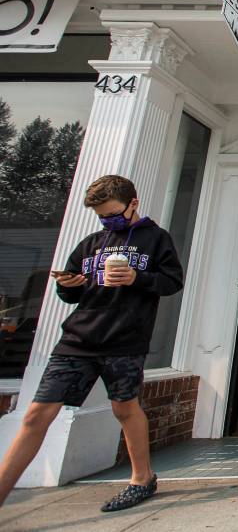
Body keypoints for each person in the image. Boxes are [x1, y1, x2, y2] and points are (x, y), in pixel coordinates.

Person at [0, 175, 183, 512]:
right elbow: (72, 292)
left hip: (126, 338)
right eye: (102, 216)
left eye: (113, 214)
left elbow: (172, 281)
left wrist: (136, 278)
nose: (108, 221)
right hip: (77, 340)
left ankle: (142, 479)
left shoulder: (156, 239)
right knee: (36, 415)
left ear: (133, 203)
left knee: (125, 408)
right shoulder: (90, 243)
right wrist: (67, 285)